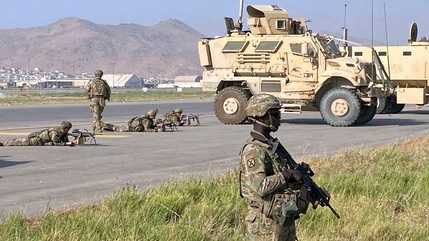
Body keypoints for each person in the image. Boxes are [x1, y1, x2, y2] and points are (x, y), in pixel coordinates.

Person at [240, 94, 313, 241]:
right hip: (264, 222)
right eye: (274, 114)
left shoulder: (270, 145)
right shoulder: (254, 150)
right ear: (261, 114)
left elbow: (280, 182)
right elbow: (261, 187)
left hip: (281, 216)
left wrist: (299, 176)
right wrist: (288, 175)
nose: (279, 118)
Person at [0, 121, 76, 146]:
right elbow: (56, 142)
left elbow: (65, 140)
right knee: (18, 142)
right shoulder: (55, 132)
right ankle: (3, 144)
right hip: (36, 140)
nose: (69, 130)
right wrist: (67, 144)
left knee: (18, 141)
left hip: (39, 138)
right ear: (65, 128)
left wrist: (70, 142)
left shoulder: (63, 132)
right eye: (68, 129)